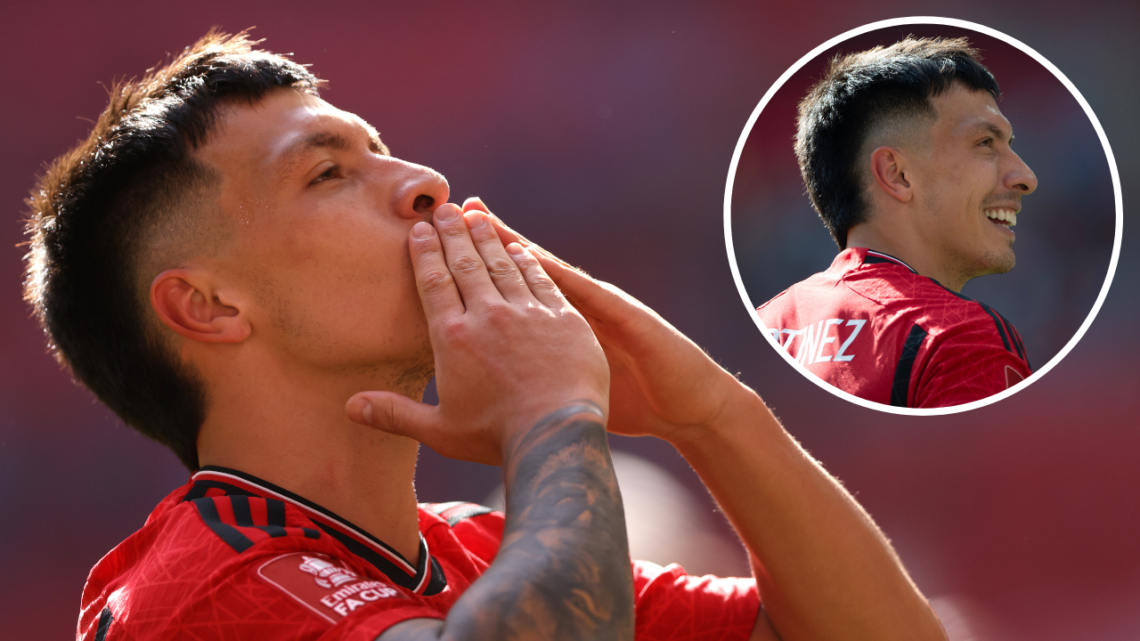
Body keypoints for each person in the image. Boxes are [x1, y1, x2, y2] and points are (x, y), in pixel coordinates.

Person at [25, 31, 946, 641]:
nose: (423, 182)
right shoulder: (200, 592)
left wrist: (712, 414)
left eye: (381, 146)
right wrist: (550, 415)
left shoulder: (472, 550)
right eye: (328, 174)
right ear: (210, 307)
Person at [757, 37, 1036, 409]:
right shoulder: (958, 335)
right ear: (898, 174)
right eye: (986, 142)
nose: (1026, 176)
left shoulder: (764, 328)